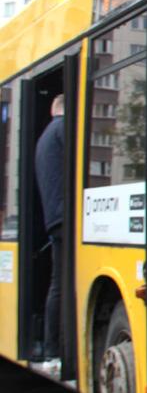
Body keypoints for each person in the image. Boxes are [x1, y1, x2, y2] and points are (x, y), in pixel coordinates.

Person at [34, 94, 65, 373]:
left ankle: (52, 350)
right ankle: (55, 350)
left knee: (59, 284)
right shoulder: (62, 130)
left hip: (54, 218)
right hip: (66, 218)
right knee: (61, 285)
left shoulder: (44, 137)